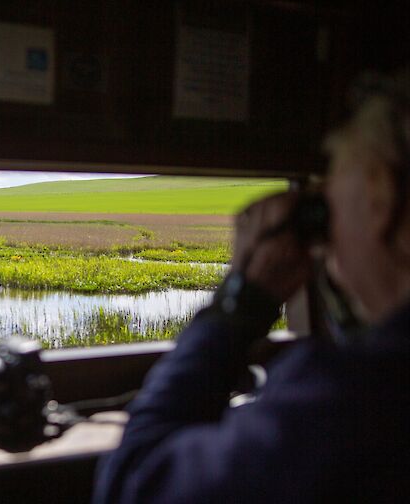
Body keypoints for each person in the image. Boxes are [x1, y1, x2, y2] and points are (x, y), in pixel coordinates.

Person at [93, 70, 410, 503]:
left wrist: (238, 304)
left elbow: (135, 483)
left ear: (382, 198)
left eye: (333, 195)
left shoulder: (359, 402)